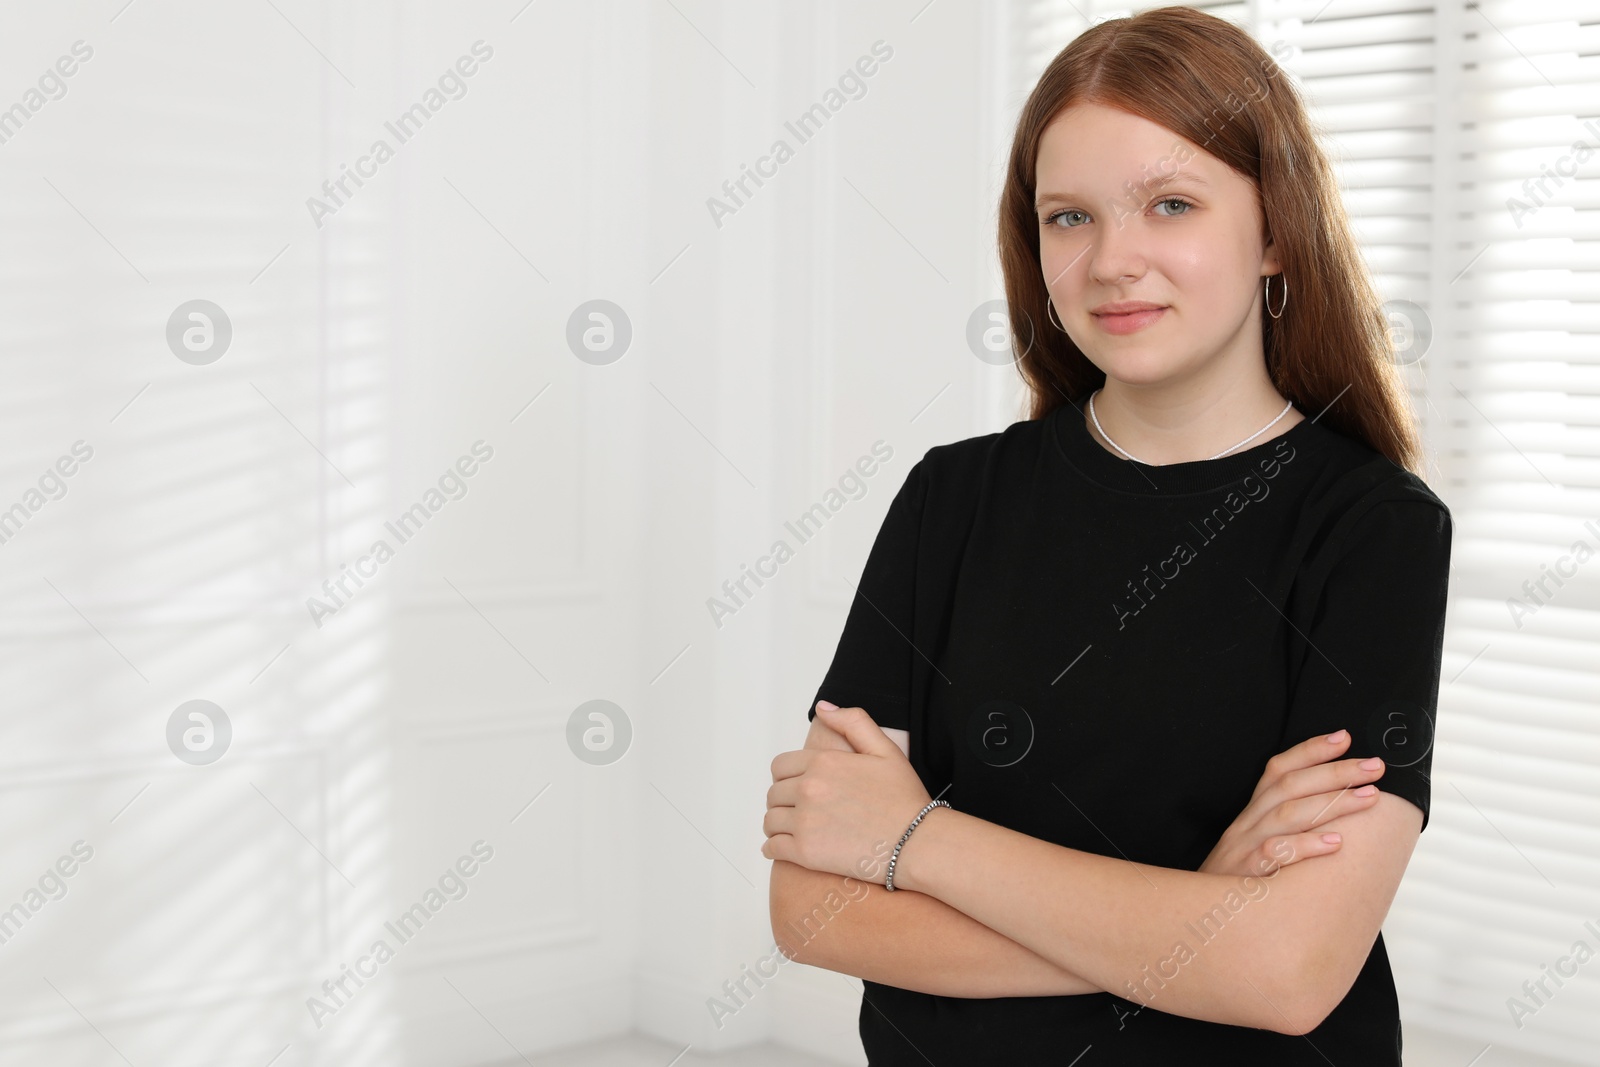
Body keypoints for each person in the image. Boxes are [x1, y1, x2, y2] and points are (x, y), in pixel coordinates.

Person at [763, 6, 1452, 1064]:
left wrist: (914, 843)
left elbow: (1286, 972)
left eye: (1169, 204)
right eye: (1068, 217)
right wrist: (1202, 910)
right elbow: (812, 910)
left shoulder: (1372, 531)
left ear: (1274, 232)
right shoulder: (952, 497)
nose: (1110, 260)